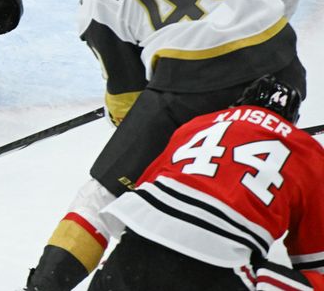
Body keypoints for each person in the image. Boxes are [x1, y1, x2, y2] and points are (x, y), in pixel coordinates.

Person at [24, 0, 309, 290]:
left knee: (100, 197)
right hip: (283, 67)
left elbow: (125, 105)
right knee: (245, 160)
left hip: (194, 89)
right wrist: (259, 26)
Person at [89, 76, 324, 290]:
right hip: (213, 271)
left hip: (132, 257)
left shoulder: (197, 124)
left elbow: (146, 192)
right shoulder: (306, 149)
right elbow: (315, 261)